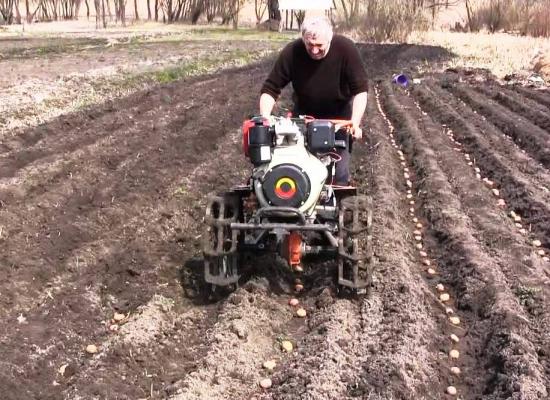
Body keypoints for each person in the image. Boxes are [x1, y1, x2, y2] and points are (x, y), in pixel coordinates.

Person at [259, 16, 368, 185]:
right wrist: (265, 116)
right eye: (310, 45)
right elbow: (271, 88)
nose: (314, 50)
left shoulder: (346, 50)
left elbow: (360, 90)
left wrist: (355, 122)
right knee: (293, 170)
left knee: (337, 175)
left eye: (319, 46)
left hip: (338, 120)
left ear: (329, 39)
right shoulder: (293, 52)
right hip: (303, 119)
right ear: (303, 39)